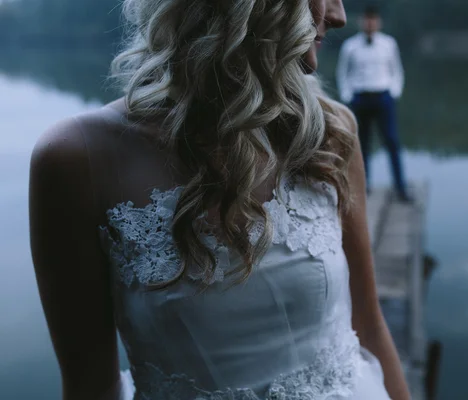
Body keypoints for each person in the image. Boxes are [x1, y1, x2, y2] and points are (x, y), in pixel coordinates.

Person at [29, 0, 411, 399]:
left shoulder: (328, 133)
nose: (339, 15)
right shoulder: (79, 160)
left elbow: (368, 326)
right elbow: (90, 387)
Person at [336, 5, 411, 202]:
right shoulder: (350, 46)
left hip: (383, 98)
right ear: (362, 21)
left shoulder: (389, 44)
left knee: (392, 142)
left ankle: (400, 187)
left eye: (373, 19)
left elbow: (397, 70)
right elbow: (343, 73)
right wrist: (347, 96)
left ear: (378, 22)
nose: (370, 23)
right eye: (367, 19)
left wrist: (394, 92)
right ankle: (363, 187)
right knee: (362, 145)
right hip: (360, 99)